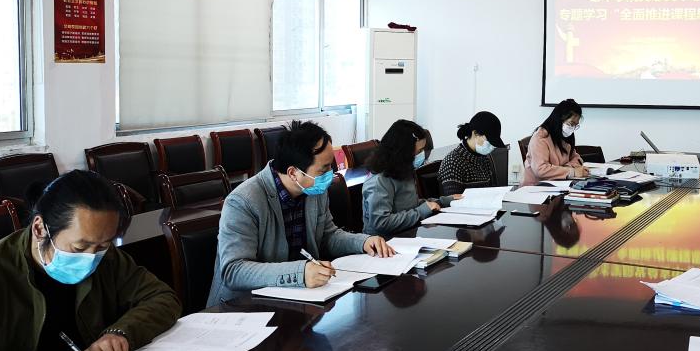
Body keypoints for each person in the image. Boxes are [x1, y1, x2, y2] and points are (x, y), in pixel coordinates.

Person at [0, 170, 181, 351]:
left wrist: (120, 333)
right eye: (79, 247)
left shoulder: (105, 257)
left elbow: (162, 297)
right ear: (40, 229)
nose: (91, 258)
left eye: (103, 245)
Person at [208, 120, 393, 306]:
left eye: (331, 166)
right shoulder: (244, 201)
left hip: (297, 297)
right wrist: (300, 273)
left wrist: (363, 242)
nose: (330, 175)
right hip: (244, 306)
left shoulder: (314, 189)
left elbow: (327, 236)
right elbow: (234, 270)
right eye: (324, 169)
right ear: (293, 173)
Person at [362, 119, 457, 237]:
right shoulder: (379, 180)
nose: (422, 155)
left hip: (407, 235)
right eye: (419, 151)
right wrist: (422, 211)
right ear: (403, 151)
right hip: (384, 242)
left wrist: (445, 201)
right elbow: (381, 223)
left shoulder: (404, 170)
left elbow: (410, 205)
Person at [437, 111, 506, 196]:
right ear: (475, 133)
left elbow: (492, 191)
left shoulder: (484, 159)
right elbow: (452, 200)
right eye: (489, 141)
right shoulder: (453, 162)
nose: (492, 147)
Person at [522, 99, 589, 185]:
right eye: (571, 124)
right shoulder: (540, 138)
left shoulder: (563, 136)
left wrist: (566, 168)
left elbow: (577, 158)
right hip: (535, 187)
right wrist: (572, 172)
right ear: (559, 119)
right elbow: (541, 169)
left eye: (575, 125)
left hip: (558, 184)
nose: (572, 128)